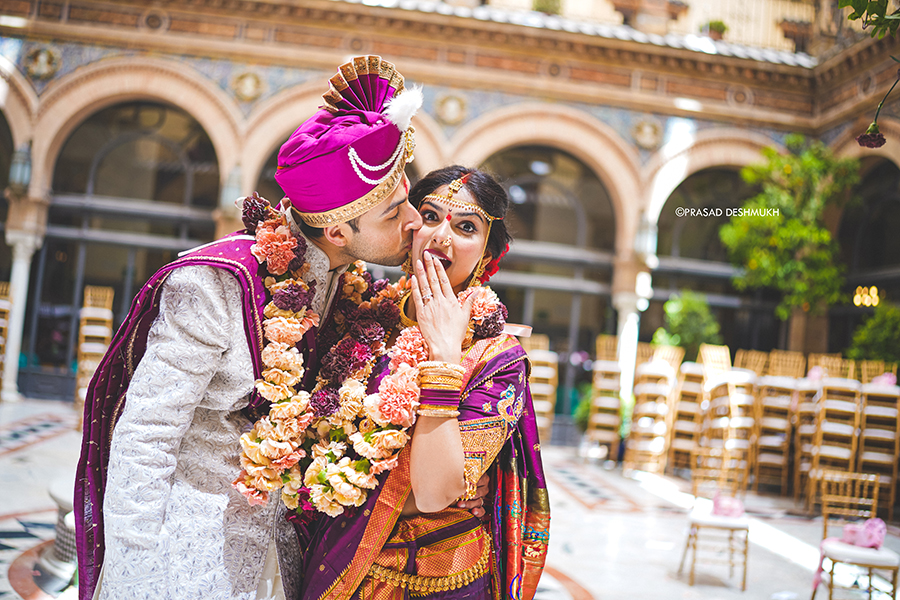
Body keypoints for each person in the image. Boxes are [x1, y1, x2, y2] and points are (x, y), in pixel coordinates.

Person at [75, 56, 482, 600]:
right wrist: (136, 573)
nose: (414, 223)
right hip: (187, 558)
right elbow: (144, 439)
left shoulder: (352, 287)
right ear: (337, 230)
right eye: (395, 213)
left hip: (286, 559)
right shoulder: (216, 285)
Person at [296, 166, 550, 600]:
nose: (441, 236)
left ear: (488, 256)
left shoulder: (494, 356)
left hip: (432, 577)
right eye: (430, 216)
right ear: (409, 226)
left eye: (466, 227)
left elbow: (434, 493)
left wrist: (444, 359)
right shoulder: (360, 313)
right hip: (333, 560)